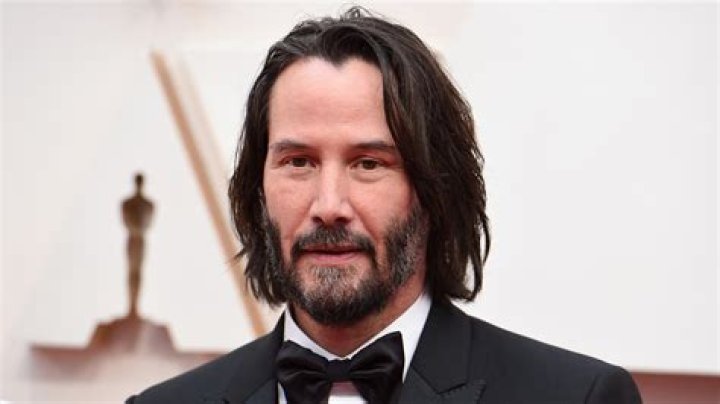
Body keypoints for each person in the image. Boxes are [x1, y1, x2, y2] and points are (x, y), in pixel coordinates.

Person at [128, 8, 641, 404]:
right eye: (298, 162)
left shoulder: (576, 397)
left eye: (368, 163)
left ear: (434, 188)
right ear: (258, 187)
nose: (329, 205)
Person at [122, 173, 154, 319]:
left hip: (140, 239)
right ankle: (131, 306)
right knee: (132, 271)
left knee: (138, 272)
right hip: (133, 239)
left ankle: (135, 306)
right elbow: (127, 221)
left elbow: (147, 223)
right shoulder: (126, 203)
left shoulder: (149, 205)